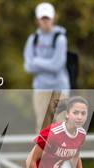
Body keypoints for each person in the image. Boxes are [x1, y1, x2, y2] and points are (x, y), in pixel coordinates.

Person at [24, 2, 70, 132]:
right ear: (37, 20)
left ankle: (60, 152)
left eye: (47, 18)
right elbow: (28, 66)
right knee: (42, 127)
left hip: (59, 88)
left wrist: (37, 61)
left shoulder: (60, 39)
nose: (45, 22)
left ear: (53, 18)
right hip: (41, 89)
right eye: (42, 19)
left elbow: (57, 65)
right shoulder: (33, 39)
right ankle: (44, 153)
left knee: (62, 126)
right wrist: (47, 63)